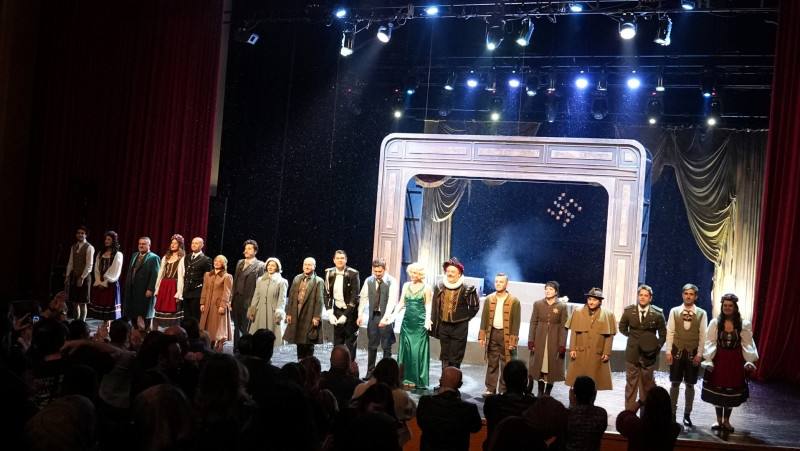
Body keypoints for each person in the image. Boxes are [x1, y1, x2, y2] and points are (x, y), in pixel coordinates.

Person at [701, 293, 758, 432]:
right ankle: (718, 420)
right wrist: (708, 359)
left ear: (735, 307)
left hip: (734, 361)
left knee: (731, 389)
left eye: (730, 305)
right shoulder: (715, 323)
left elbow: (748, 344)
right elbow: (710, 342)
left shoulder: (743, 324)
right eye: (725, 305)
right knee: (718, 389)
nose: (727, 308)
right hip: (720, 360)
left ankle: (726, 420)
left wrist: (749, 360)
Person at [618, 284, 667, 412]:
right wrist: (633, 338)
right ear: (638, 296)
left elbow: (663, 334)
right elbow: (622, 328)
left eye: (645, 295)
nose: (643, 298)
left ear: (650, 298)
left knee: (647, 386)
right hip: (632, 353)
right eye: (640, 295)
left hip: (648, 355)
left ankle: (645, 415)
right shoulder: (629, 312)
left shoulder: (657, 314)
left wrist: (655, 348)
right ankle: (629, 413)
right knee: (631, 385)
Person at [665, 283, 708, 426]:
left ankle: (687, 414)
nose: (688, 296)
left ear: (696, 297)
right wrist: (668, 351)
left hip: (692, 353)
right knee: (675, 383)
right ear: (682, 295)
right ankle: (672, 413)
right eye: (686, 294)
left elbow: (703, 335)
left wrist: (700, 354)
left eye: (691, 294)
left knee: (690, 384)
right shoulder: (674, 311)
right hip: (677, 351)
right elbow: (670, 331)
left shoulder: (701, 313)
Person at [430, 257, 480, 370]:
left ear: (459, 273)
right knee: (445, 354)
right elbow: (435, 306)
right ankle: (445, 378)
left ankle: (453, 379)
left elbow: (475, 307)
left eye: (453, 271)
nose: (450, 273)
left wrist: (464, 318)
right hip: (444, 326)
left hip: (459, 327)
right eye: (448, 271)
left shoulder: (467, 288)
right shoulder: (440, 286)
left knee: (456, 355)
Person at [416, 367, 482, 451]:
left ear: (440, 381)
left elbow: (421, 423)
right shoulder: (469, 408)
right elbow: (476, 428)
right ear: (460, 384)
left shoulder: (425, 402)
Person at [564, 288, 617, 390]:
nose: (591, 302)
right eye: (589, 299)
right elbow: (574, 331)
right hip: (580, 351)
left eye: (594, 300)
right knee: (577, 380)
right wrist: (572, 348)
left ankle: (591, 399)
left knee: (594, 380)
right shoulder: (578, 312)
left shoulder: (608, 314)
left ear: (600, 301)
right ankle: (576, 399)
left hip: (596, 352)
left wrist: (607, 352)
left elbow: (609, 335)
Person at [478, 273, 521, 396]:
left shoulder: (514, 301)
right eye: (496, 281)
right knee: (492, 363)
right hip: (492, 334)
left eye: (501, 282)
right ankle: (490, 389)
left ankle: (503, 390)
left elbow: (516, 322)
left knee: (506, 364)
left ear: (507, 284)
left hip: (506, 335)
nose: (498, 283)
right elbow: (484, 318)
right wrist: (482, 336)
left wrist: (513, 341)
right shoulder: (489, 299)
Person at [357, 258, 399, 381]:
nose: (377, 273)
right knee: (372, 345)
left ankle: (387, 375)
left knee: (386, 346)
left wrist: (385, 318)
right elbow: (363, 297)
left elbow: (391, 301)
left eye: (380, 271)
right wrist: (360, 315)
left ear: (385, 269)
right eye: (375, 271)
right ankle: (370, 372)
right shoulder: (369, 280)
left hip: (386, 316)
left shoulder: (391, 281)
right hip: (373, 316)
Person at [393, 262, 432, 388]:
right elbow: (401, 302)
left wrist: (427, 320)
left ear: (420, 274)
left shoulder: (426, 287)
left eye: (415, 273)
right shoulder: (406, 285)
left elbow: (428, 305)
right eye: (411, 272)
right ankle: (405, 377)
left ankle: (416, 379)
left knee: (417, 351)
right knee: (406, 350)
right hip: (407, 322)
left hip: (419, 323)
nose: (412, 275)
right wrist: (393, 315)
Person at [527, 280, 568, 397]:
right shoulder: (538, 304)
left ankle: (547, 392)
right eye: (546, 289)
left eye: (551, 289)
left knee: (552, 365)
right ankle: (540, 391)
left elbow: (564, 326)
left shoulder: (562, 306)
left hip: (554, 339)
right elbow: (533, 322)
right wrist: (531, 340)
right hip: (540, 337)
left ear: (556, 292)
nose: (548, 291)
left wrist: (562, 344)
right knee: (539, 363)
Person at [482, 359, 536, 445]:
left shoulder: (491, 402)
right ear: (525, 381)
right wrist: (529, 395)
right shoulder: (532, 406)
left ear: (504, 379)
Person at [284, 257, 325, 360]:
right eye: (305, 264)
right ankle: (300, 361)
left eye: (309, 265)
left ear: (314, 267)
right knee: (299, 339)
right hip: (297, 311)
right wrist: (289, 313)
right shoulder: (297, 278)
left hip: (309, 312)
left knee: (309, 340)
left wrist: (317, 317)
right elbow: (291, 297)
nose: (307, 266)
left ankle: (308, 363)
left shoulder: (318, 281)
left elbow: (319, 300)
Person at [616, 386, 681, 451]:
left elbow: (623, 417)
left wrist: (640, 402)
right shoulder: (674, 430)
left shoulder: (635, 427)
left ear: (647, 406)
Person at [324, 250, 361, 363]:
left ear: (346, 260)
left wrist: (345, 315)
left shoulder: (353, 273)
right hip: (337, 309)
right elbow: (326, 294)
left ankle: (350, 367)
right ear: (334, 260)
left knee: (350, 341)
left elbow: (355, 297)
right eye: (338, 258)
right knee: (338, 340)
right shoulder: (329, 272)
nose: (340, 260)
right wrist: (330, 313)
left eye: (342, 258)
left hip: (351, 311)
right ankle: (336, 365)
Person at [231, 239, 265, 353]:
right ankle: (236, 349)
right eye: (245, 248)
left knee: (246, 327)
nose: (246, 250)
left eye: (249, 249)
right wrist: (231, 299)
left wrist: (256, 304)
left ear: (255, 251)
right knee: (236, 326)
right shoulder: (240, 263)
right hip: (237, 299)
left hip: (249, 300)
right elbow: (235, 281)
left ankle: (246, 350)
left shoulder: (259, 265)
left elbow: (260, 286)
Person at [248, 257, 287, 346]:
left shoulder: (282, 282)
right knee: (258, 338)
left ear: (277, 267)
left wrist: (279, 313)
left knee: (270, 337)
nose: (270, 267)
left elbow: (282, 299)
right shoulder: (260, 280)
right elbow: (256, 296)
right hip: (260, 311)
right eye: (269, 265)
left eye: (273, 266)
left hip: (272, 312)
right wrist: (252, 310)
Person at [123, 237, 161, 331]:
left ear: (149, 245)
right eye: (139, 243)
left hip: (145, 290)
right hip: (133, 289)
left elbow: (155, 275)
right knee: (133, 314)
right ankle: (135, 333)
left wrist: (151, 289)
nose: (141, 245)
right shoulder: (135, 255)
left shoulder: (154, 258)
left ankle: (145, 334)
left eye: (144, 244)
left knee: (145, 315)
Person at [199, 255, 233, 352]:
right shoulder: (208, 275)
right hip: (207, 304)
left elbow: (227, 292)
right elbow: (204, 289)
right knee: (208, 325)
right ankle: (209, 344)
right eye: (215, 261)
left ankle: (220, 344)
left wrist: (223, 305)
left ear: (223, 264)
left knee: (218, 326)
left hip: (218, 305)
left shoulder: (226, 276)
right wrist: (202, 303)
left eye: (219, 261)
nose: (217, 263)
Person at [565, 375, 607, 451]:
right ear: (594, 393)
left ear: (574, 392)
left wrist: (571, 404)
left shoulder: (568, 414)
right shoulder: (601, 414)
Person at [90, 231, 123, 326]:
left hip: (110, 282)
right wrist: (98, 281)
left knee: (109, 311)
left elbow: (115, 270)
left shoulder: (118, 254)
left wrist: (105, 282)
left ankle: (108, 328)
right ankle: (104, 328)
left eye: (109, 239)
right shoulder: (100, 254)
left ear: (114, 241)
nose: (106, 241)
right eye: (106, 239)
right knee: (102, 311)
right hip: (100, 282)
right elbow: (96, 269)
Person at [153, 234, 186, 329]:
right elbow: (160, 274)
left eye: (175, 243)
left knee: (173, 309)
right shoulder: (166, 257)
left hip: (174, 285)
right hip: (164, 285)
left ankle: (172, 331)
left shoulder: (182, 258)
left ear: (180, 245)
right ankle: (159, 331)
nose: (173, 245)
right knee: (161, 309)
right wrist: (157, 289)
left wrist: (179, 293)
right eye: (172, 243)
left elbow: (182, 276)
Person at [65, 225, 94, 321]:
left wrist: (82, 277)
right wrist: (67, 275)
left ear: (86, 235)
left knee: (83, 302)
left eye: (82, 233)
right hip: (75, 276)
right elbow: (71, 262)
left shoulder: (89, 247)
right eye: (78, 233)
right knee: (75, 301)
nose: (80, 235)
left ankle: (82, 323)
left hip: (84, 277)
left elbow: (89, 265)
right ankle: (76, 321)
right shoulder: (73, 247)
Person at [181, 237, 213, 323]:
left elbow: (208, 279)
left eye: (196, 243)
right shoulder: (187, 257)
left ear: (202, 245)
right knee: (186, 316)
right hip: (187, 291)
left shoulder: (206, 260)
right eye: (192, 243)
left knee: (195, 317)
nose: (194, 245)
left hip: (197, 292)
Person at [320, 345, 362, 409]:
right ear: (348, 363)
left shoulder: (320, 380)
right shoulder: (355, 384)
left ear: (330, 360)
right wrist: (356, 380)